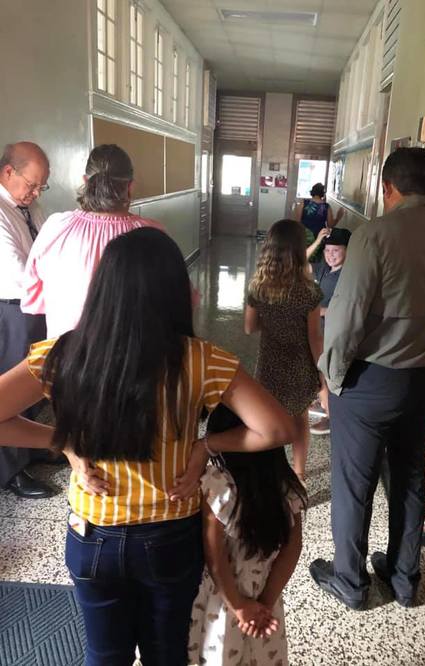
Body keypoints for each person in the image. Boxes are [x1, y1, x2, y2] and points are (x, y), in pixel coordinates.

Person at [0, 227, 297, 666]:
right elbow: (277, 429)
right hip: (169, 536)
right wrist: (206, 445)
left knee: (105, 654)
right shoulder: (200, 359)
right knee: (166, 654)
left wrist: (65, 444)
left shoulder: (63, 354)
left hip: (93, 534)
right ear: (172, 292)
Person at [309, 147, 425, 610]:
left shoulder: (374, 235)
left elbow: (347, 316)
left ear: (387, 189)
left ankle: (351, 581)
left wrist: (331, 380)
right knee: (409, 474)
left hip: (371, 380)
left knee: (354, 481)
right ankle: (404, 578)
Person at [189, 405, 306, 666]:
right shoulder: (288, 486)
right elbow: (293, 548)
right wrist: (265, 603)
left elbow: (215, 557)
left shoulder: (218, 485)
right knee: (263, 656)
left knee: (220, 654)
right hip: (265, 592)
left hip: (222, 599)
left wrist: (239, 605)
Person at [21, 144, 163, 337]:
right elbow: (178, 299)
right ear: (130, 186)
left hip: (65, 350)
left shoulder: (56, 227)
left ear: (86, 181)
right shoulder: (152, 234)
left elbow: (32, 296)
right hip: (132, 352)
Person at [245, 219, 325, 480]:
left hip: (269, 364)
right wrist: (322, 378)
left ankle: (271, 472)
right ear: (300, 250)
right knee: (300, 419)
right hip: (300, 365)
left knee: (270, 418)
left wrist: (272, 322)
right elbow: (314, 338)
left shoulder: (258, 287)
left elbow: (249, 327)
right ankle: (299, 473)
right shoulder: (310, 292)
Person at [0, 141, 54, 499]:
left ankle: (31, 448)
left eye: (40, 187)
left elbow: (47, 250)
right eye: (31, 185)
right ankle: (11, 471)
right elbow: (19, 272)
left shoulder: (28, 207)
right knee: (11, 389)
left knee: (34, 382)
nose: (35, 193)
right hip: (11, 309)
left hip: (35, 306)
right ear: (8, 172)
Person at [308, 227, 351, 436]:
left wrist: (316, 311)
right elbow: (298, 262)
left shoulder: (348, 275)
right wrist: (318, 241)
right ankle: (324, 403)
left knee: (330, 374)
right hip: (321, 331)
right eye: (327, 250)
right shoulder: (326, 269)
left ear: (348, 250)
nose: (330, 255)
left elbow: (347, 307)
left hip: (335, 333)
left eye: (336, 250)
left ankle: (332, 418)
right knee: (320, 370)